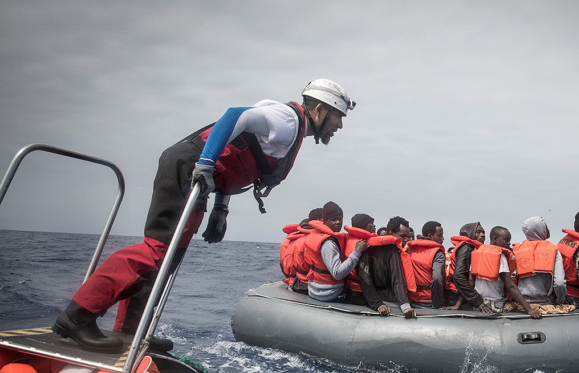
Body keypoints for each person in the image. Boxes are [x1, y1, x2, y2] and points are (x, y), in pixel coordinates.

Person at [52, 79, 356, 353]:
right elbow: (235, 116)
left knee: (167, 259)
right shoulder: (288, 119)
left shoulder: (293, 130)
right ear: (318, 109)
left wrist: (220, 209)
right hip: (188, 169)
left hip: (199, 180)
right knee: (157, 250)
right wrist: (206, 163)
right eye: (337, 117)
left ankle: (132, 329)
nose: (339, 126)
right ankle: (77, 316)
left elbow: (239, 153)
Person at [303, 202, 368, 302]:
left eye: (340, 219)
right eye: (333, 219)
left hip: (315, 289)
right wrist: (357, 252)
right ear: (325, 221)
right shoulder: (328, 243)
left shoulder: (317, 234)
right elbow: (337, 274)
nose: (338, 222)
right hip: (329, 292)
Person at [470, 227, 541, 318]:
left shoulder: (477, 253)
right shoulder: (500, 256)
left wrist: (473, 302)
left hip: (479, 304)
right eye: (506, 240)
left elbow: (470, 281)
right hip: (495, 304)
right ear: (495, 239)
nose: (509, 243)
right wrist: (529, 310)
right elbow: (510, 286)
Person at [506, 217, 573, 314]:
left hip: (521, 306)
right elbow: (559, 283)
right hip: (547, 304)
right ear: (540, 229)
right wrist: (559, 301)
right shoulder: (554, 251)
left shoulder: (516, 251)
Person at [356, 216, 416, 319]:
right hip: (391, 303)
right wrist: (405, 306)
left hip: (374, 303)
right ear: (391, 233)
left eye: (407, 237)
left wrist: (377, 304)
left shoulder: (366, 247)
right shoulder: (392, 250)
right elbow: (397, 279)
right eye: (402, 236)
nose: (406, 240)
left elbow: (365, 279)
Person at [444, 222, 490, 312]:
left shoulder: (470, 247)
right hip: (457, 294)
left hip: (462, 294)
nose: (482, 235)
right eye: (478, 232)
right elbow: (459, 276)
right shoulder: (466, 248)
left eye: (483, 233)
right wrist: (477, 300)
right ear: (469, 233)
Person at [406, 221, 446, 308]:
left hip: (412, 300)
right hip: (430, 301)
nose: (442, 238)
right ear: (430, 236)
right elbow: (436, 278)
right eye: (439, 235)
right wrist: (437, 304)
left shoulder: (410, 248)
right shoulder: (437, 253)